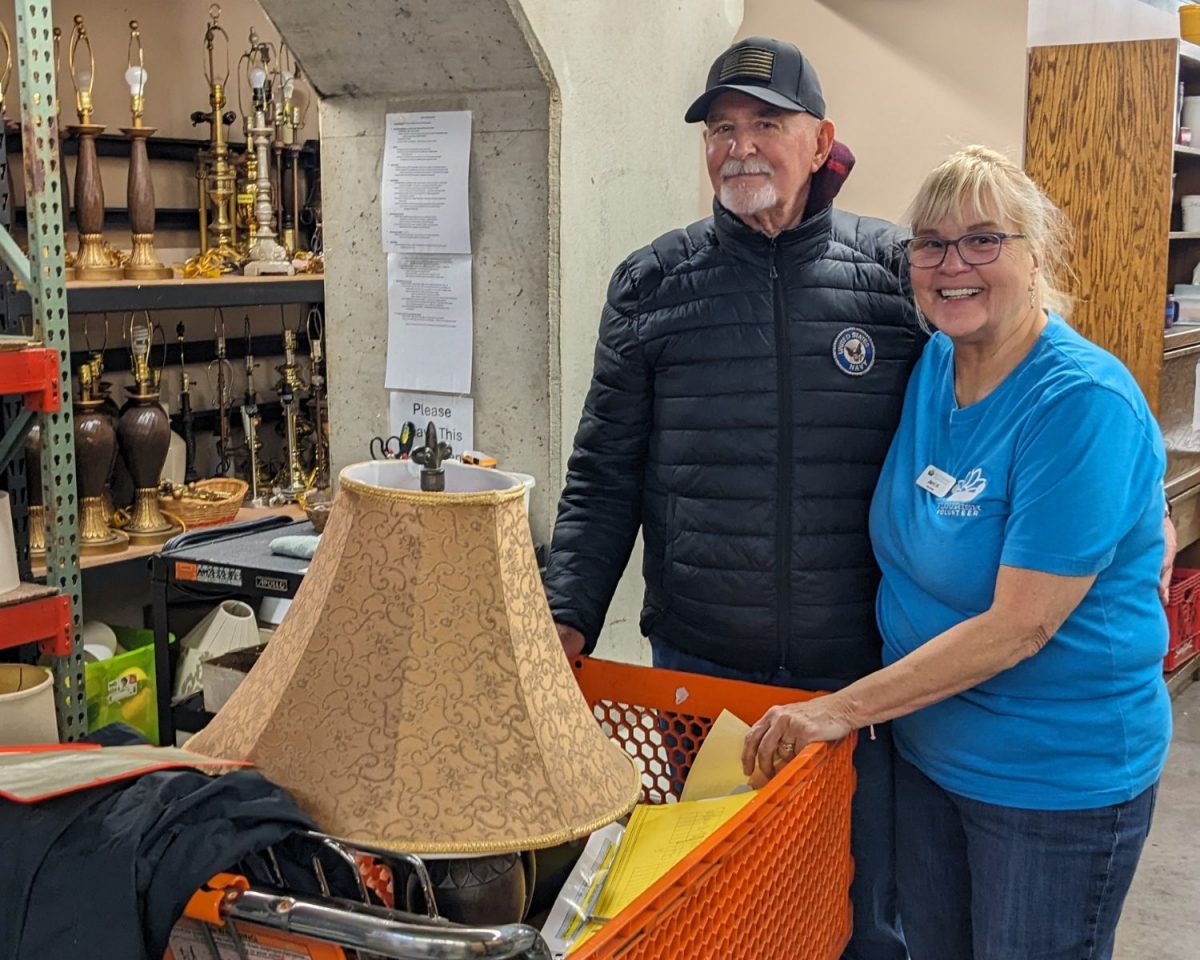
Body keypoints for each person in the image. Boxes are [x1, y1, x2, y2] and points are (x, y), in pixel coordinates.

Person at [742, 145, 1172, 960]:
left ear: (1036, 254)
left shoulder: (1078, 401)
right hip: (931, 754)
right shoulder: (939, 360)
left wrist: (837, 708)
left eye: (984, 240)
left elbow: (1019, 628)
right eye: (931, 244)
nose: (954, 264)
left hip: (1053, 784)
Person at [543, 36, 922, 960]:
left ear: (820, 136)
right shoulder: (652, 285)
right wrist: (563, 619)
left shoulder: (894, 276)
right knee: (716, 908)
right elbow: (603, 475)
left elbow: (1007, 392)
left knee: (862, 907)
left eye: (766, 123)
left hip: (857, 677)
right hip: (703, 673)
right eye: (721, 129)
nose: (740, 147)